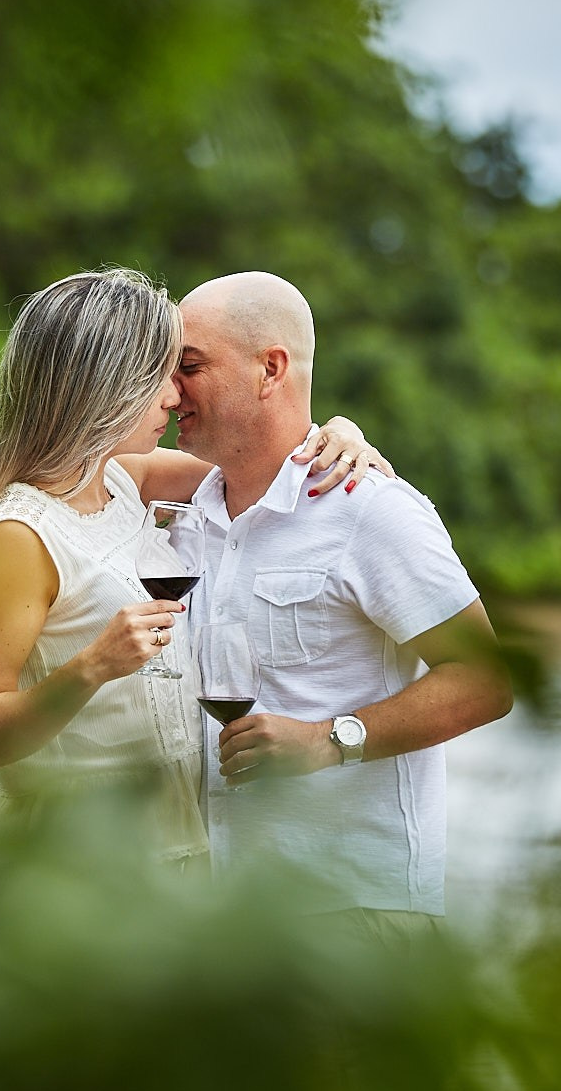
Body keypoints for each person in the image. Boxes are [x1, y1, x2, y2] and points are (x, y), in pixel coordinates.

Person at [0, 267, 387, 864]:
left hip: (171, 854)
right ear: (106, 383)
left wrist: (339, 435)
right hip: (69, 861)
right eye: (163, 374)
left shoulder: (120, 478)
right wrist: (93, 667)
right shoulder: (19, 536)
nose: (175, 396)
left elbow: (261, 466)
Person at [169, 270, 514, 939]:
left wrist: (330, 741)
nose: (170, 390)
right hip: (218, 920)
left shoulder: (371, 509)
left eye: (190, 366)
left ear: (270, 369)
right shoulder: (183, 515)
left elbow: (488, 680)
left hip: (353, 913)